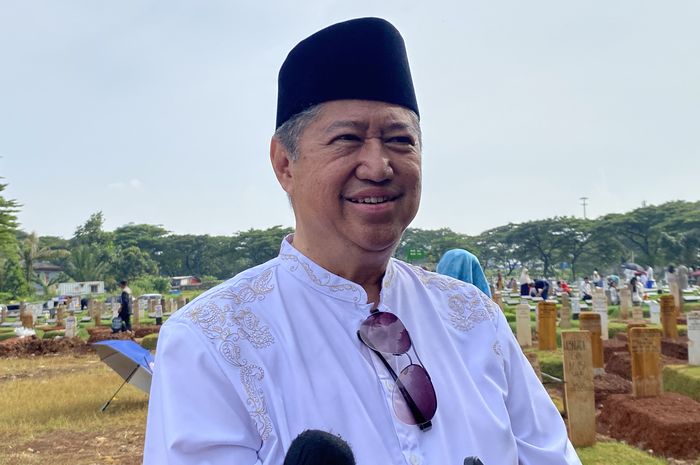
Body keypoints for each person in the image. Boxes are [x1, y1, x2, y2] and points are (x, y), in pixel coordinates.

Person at [144, 18, 580, 465]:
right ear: (285, 164)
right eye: (347, 139)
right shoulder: (211, 341)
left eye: (400, 140)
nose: (378, 166)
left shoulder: (474, 317)